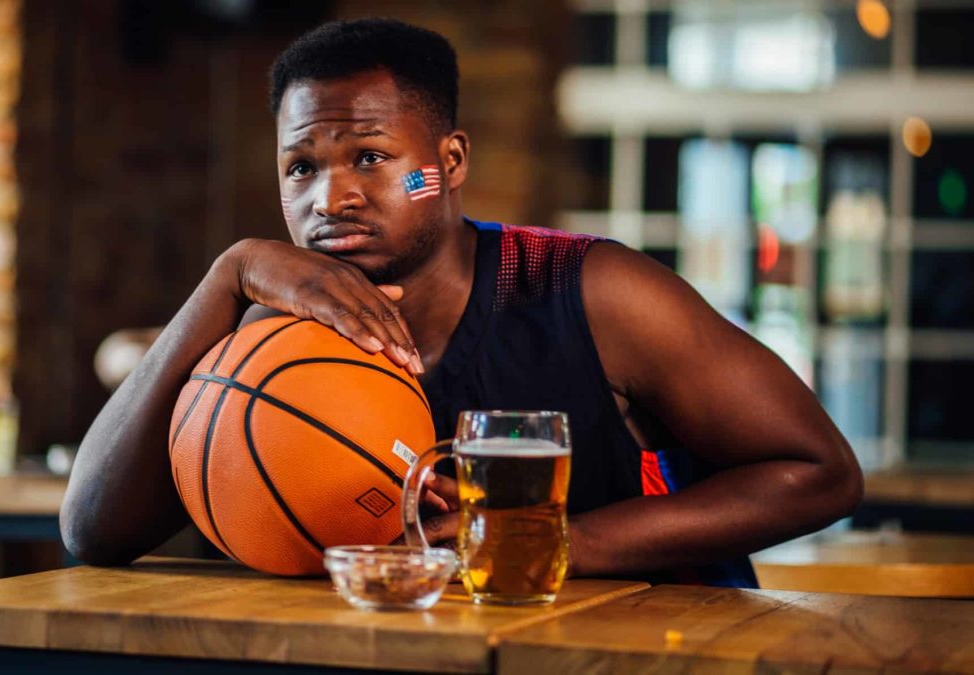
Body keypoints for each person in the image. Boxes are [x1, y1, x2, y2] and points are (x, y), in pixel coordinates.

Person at [60, 18, 862, 586]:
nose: (330, 197)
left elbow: (819, 471)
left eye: (371, 157)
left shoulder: (592, 290)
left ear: (445, 162)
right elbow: (92, 531)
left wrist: (558, 542)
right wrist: (229, 272)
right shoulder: (279, 339)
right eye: (300, 167)